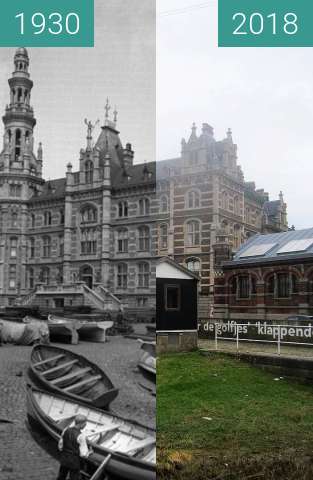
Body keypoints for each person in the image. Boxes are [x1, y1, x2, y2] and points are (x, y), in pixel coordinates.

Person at [56, 414, 92, 480]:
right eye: (85, 423)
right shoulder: (81, 436)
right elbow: (83, 454)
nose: (85, 425)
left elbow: (60, 445)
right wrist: (89, 452)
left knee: (61, 476)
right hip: (74, 461)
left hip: (64, 458)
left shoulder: (66, 430)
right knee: (74, 478)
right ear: (81, 424)